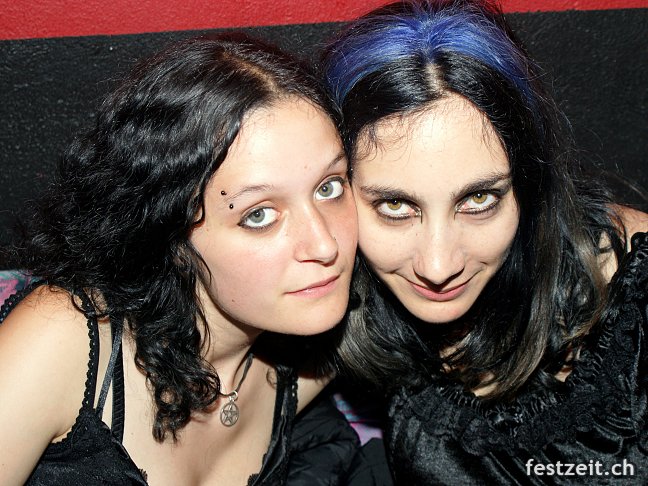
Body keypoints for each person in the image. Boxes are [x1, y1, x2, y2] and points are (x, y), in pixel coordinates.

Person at [0, 33, 360, 485]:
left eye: (329, 187)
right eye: (259, 215)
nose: (324, 245)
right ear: (171, 237)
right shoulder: (62, 339)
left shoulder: (309, 358)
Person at [323, 0, 648, 483]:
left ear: (526, 183)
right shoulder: (334, 305)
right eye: (395, 206)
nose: (438, 266)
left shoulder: (634, 293)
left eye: (479, 199)